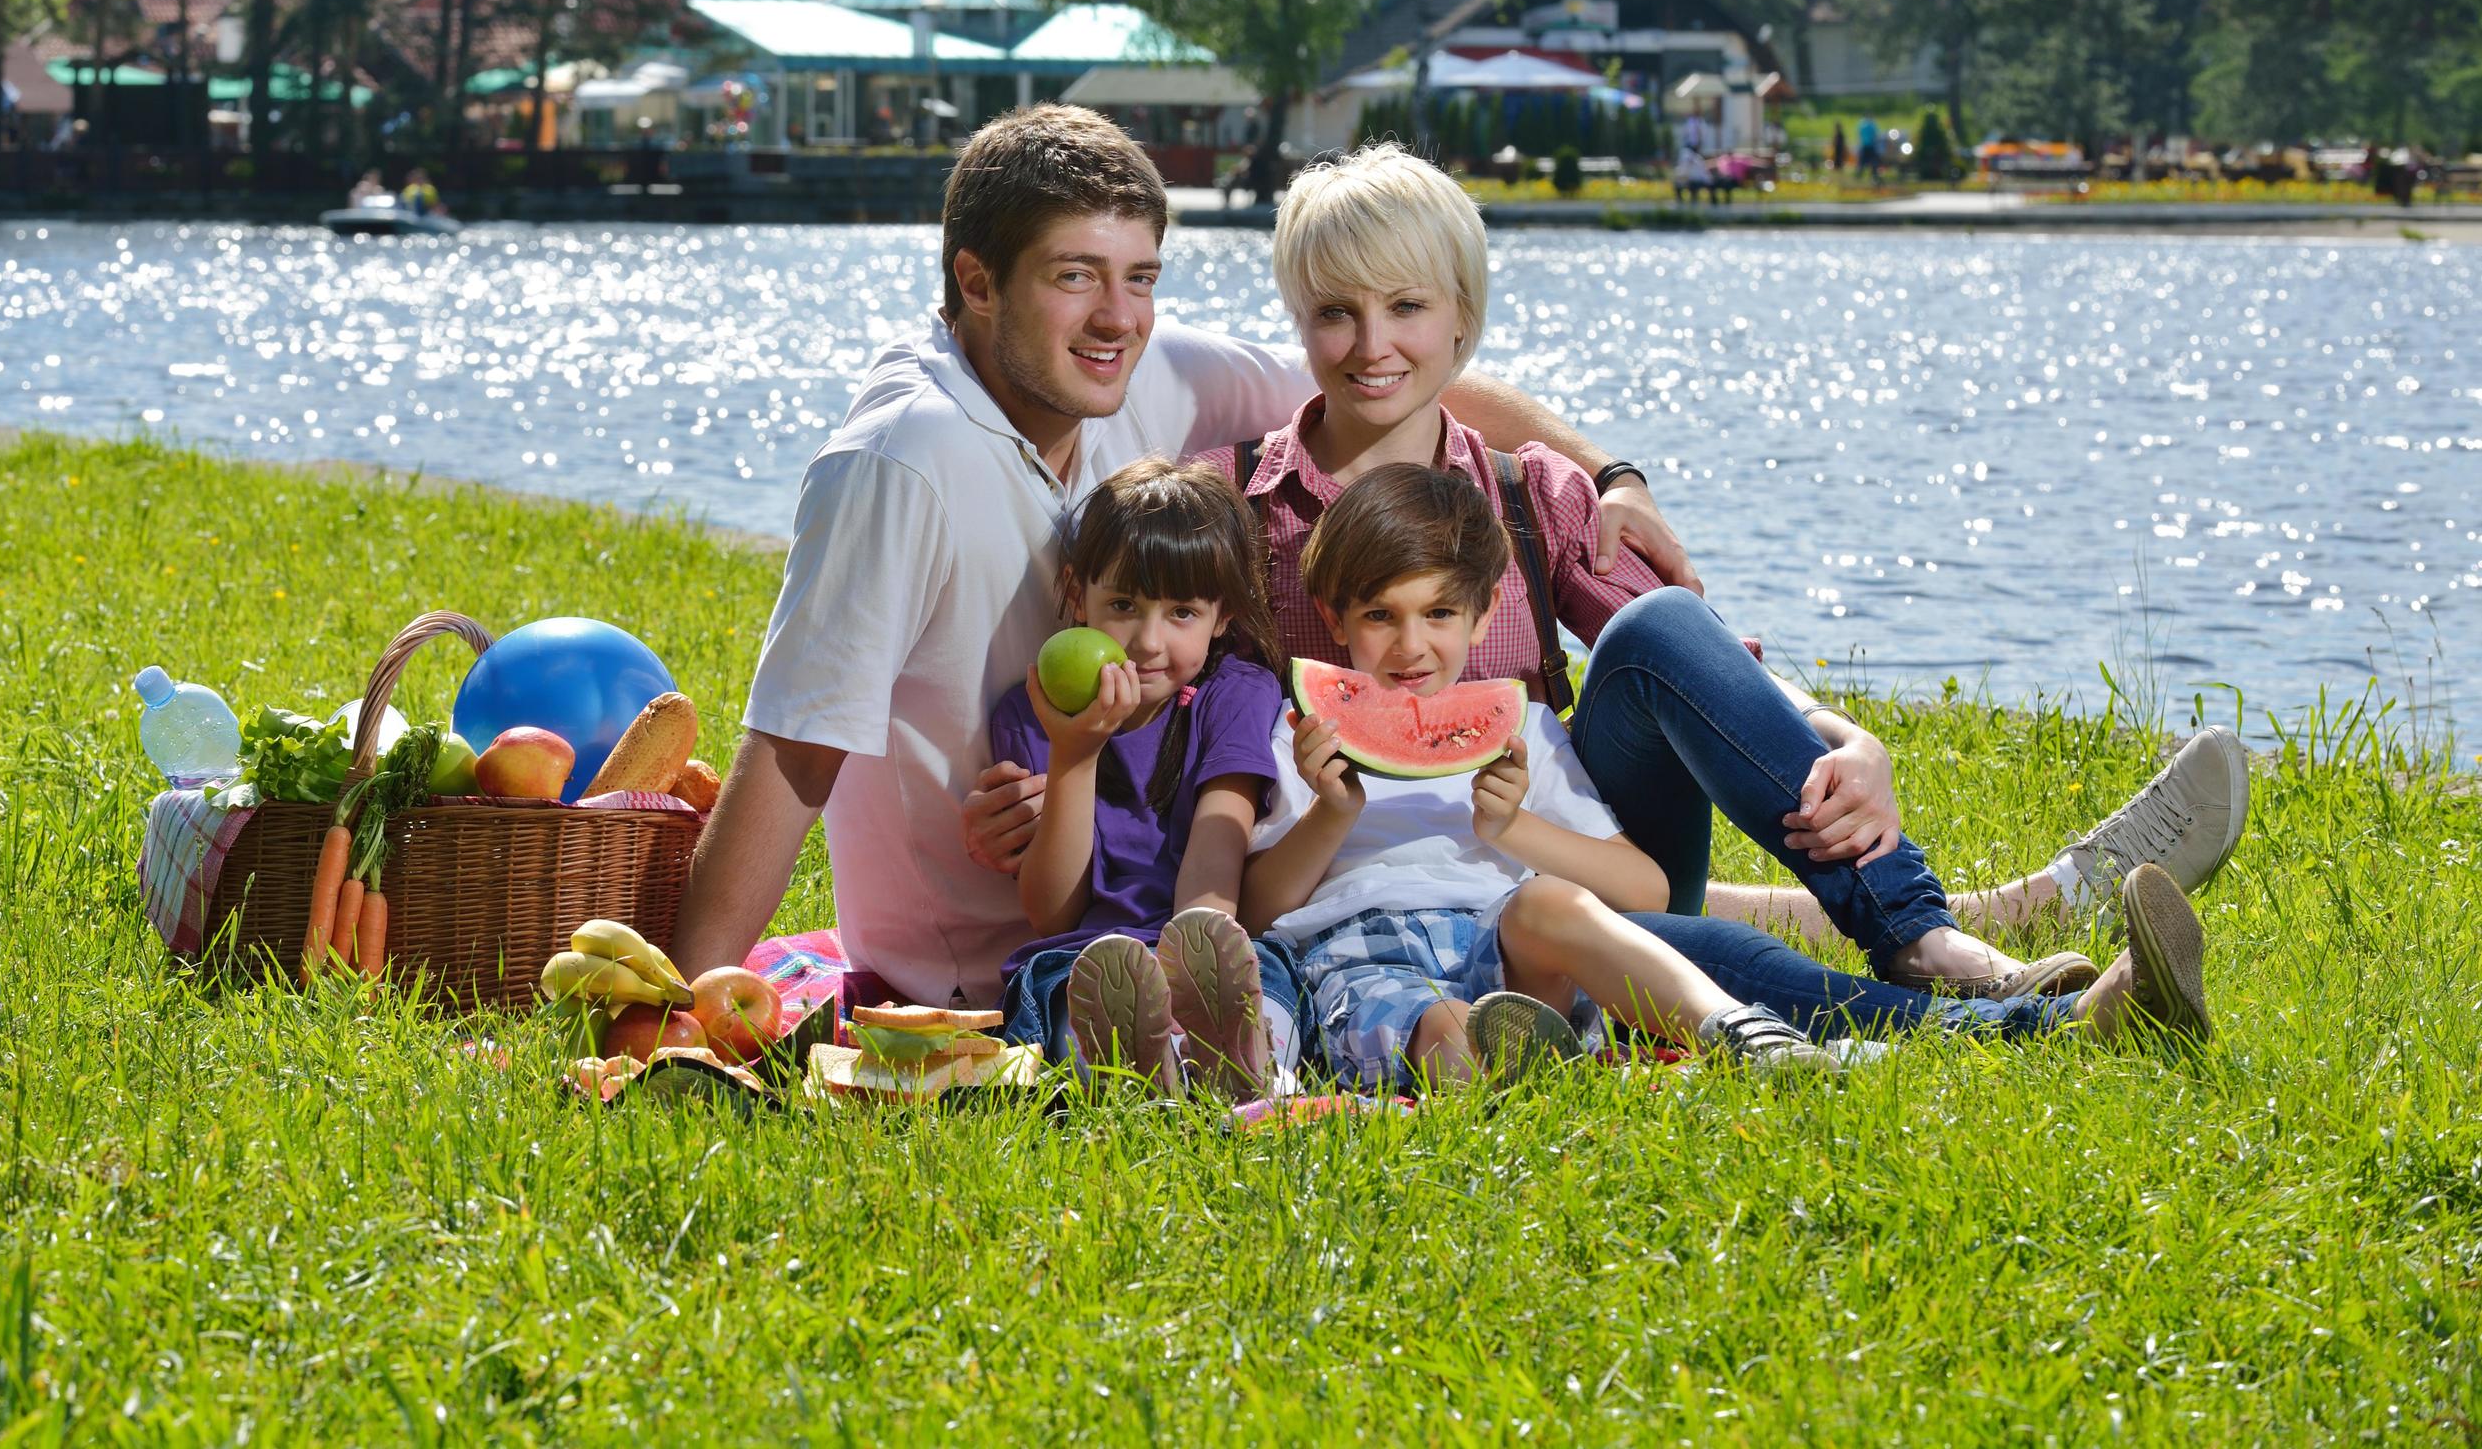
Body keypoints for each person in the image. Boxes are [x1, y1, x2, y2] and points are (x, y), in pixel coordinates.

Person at [668, 105, 1695, 1004]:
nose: (1117, 318)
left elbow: (1393, 372)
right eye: (1075, 278)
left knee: (1643, 910)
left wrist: (1611, 472)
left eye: (1140, 278)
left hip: (1179, 894)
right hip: (980, 959)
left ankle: (1788, 945)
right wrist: (688, 996)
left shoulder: (1135, 367)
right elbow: (796, 745)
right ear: (976, 283)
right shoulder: (901, 459)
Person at [1183, 144, 2245, 991]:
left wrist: (1846, 735)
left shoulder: (1532, 492)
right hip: (1358, 878)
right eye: (1336, 312)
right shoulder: (1231, 506)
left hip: (1580, 849)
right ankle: (2018, 929)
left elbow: (1696, 656)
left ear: (1464, 322)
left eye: (1407, 307)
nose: (1373, 344)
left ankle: (1920, 932)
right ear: (1298, 321)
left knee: (1647, 630)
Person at [1250, 465, 2216, 1088]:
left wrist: (1513, 834)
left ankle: (2002, 1017)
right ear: (1332, 620)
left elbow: (1646, 883)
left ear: (1477, 618)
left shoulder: (1528, 729)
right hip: (1365, 958)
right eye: (1380, 618)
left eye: (1437, 617)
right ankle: (2050, 1026)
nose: (1411, 649)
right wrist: (1330, 813)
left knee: (1609, 918)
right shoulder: (1293, 743)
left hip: (1532, 942)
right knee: (1482, 1006)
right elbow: (1253, 907)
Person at [990, 457, 1291, 1096]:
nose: (1148, 642)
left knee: (1270, 989)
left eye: (1183, 612)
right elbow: (1051, 912)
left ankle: (1234, 1061)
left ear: (1224, 618)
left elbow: (1218, 854)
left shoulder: (1237, 692)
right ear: (1077, 594)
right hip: (1089, 954)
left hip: (1215, 948)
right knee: (1071, 998)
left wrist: (1186, 958)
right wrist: (1074, 754)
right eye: (1123, 604)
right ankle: (1148, 1072)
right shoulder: (1031, 712)